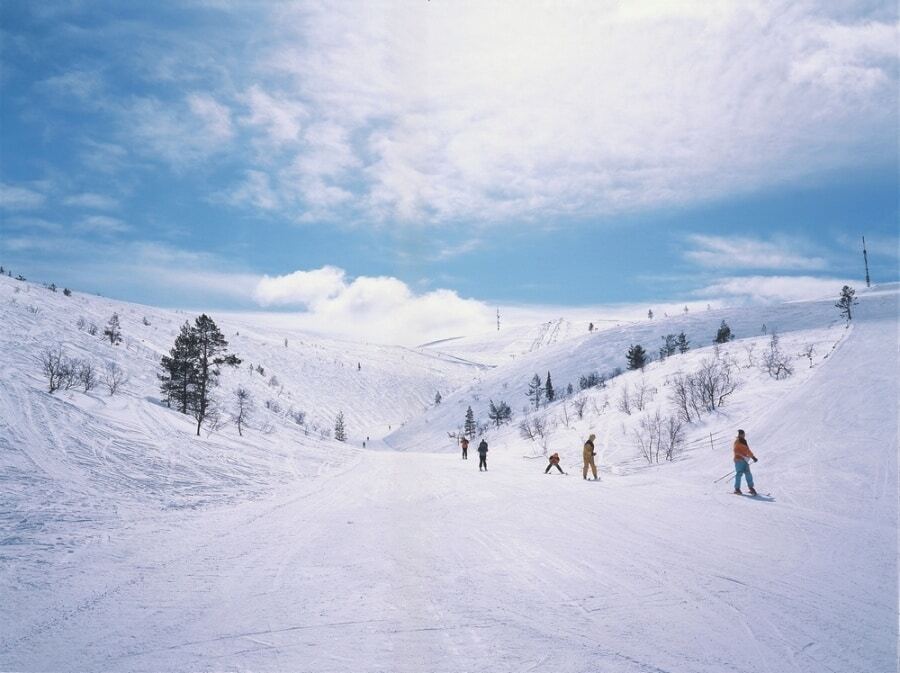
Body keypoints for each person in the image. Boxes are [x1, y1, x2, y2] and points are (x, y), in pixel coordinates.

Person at [733, 429, 758, 495]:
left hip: (745, 460)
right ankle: (737, 489)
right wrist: (742, 456)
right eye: (743, 434)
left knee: (748, 473)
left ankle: (751, 488)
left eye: (744, 434)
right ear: (740, 434)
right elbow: (735, 451)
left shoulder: (744, 441)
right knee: (739, 474)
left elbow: (747, 450)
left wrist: (753, 457)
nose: (744, 435)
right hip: (738, 460)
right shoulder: (737, 442)